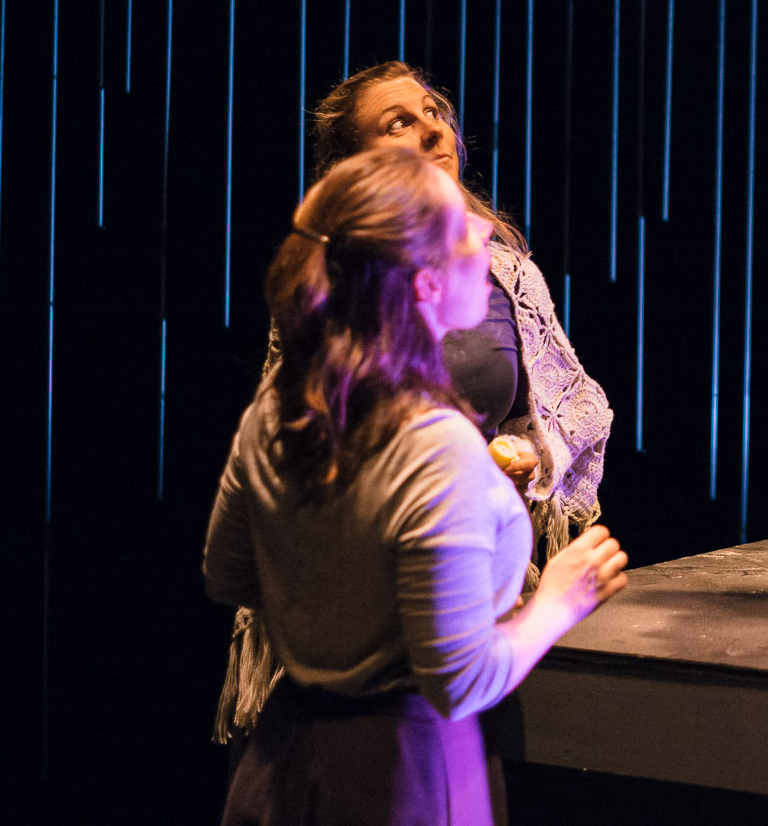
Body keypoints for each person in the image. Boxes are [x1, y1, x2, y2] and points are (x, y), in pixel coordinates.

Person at [204, 146, 628, 823]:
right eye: (459, 226)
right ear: (425, 285)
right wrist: (558, 599)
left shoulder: (276, 412)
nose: (483, 227)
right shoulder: (435, 448)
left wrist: (336, 604)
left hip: (282, 766)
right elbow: (460, 682)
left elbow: (228, 574)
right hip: (397, 776)